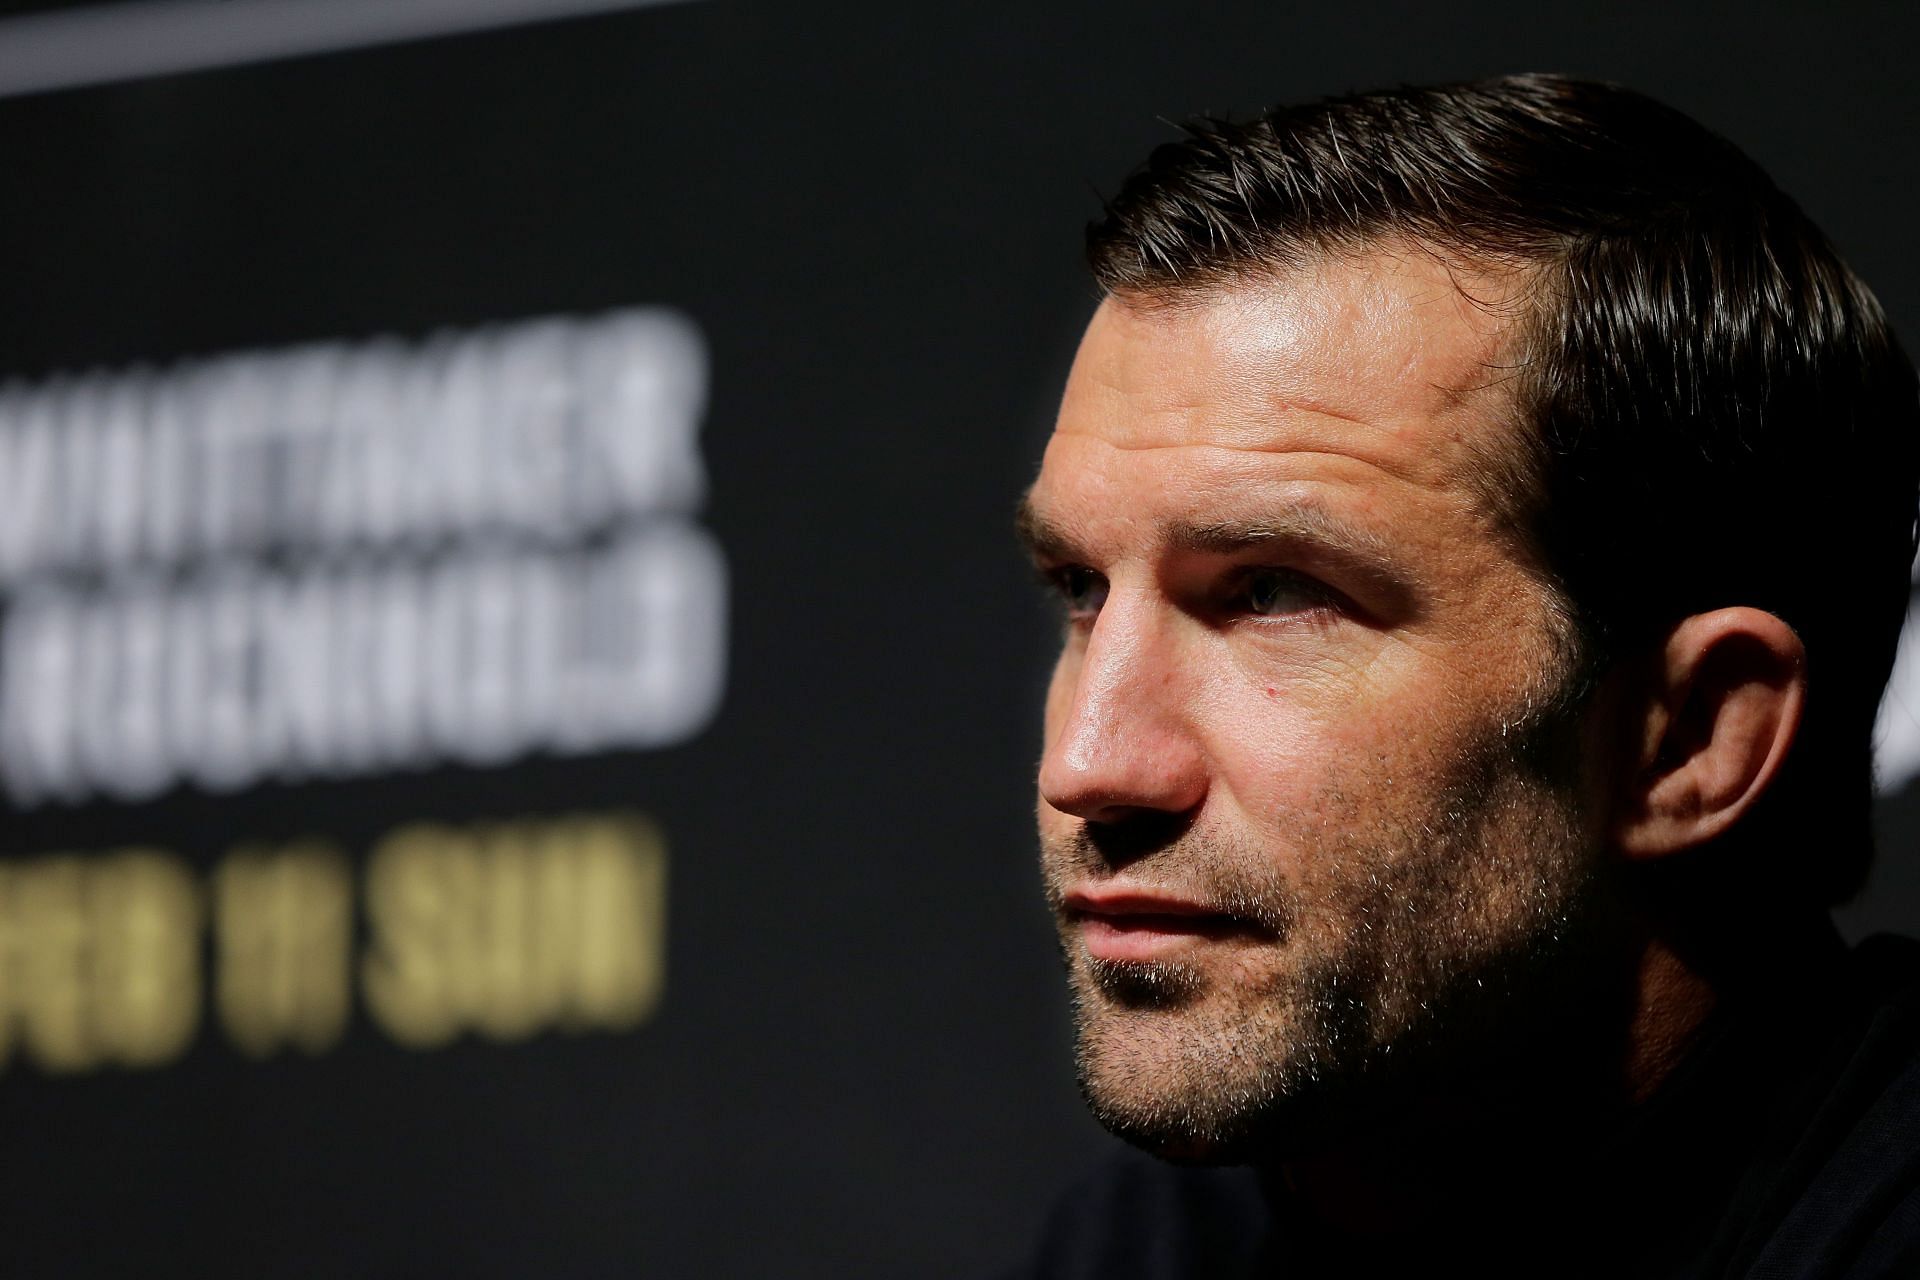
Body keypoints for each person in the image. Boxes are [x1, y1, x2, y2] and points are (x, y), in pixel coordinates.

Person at [1010, 74, 1920, 1278]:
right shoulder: (1132, 1249)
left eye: (1275, 593)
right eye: (1082, 587)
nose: (1090, 766)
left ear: (1688, 736)